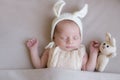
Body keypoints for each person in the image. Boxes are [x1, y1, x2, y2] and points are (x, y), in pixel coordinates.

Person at [26, 0, 100, 71]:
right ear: (54, 38)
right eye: (63, 38)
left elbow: (88, 69)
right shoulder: (51, 50)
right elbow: (39, 66)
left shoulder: (80, 52)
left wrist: (93, 53)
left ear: (81, 39)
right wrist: (33, 50)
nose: (70, 42)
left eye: (75, 38)